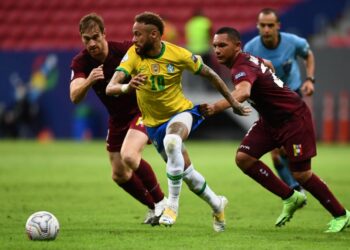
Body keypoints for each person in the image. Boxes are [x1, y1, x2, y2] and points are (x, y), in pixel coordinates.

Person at [106, 11, 250, 232]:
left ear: (154, 34)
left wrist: (233, 102)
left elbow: (211, 74)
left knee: (172, 141)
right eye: (133, 34)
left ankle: (171, 206)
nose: (134, 39)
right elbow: (110, 87)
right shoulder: (133, 55)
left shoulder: (178, 54)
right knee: (188, 175)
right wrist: (127, 86)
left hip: (181, 113)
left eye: (138, 34)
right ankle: (217, 204)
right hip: (153, 124)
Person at [201, 26, 350, 233]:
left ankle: (341, 214)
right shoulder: (247, 59)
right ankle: (291, 197)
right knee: (244, 158)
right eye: (215, 45)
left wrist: (216, 107)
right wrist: (270, 86)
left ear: (237, 46)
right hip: (270, 121)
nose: (217, 50)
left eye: (222, 45)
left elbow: (243, 92)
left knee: (302, 175)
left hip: (293, 119)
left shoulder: (240, 67)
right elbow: (268, 64)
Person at [70, 13, 166, 225]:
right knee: (119, 173)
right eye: (87, 39)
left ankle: (162, 203)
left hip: (142, 111)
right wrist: (89, 81)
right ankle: (153, 207)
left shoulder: (124, 51)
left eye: (96, 37)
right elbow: (74, 96)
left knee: (130, 155)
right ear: (81, 39)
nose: (92, 43)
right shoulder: (81, 62)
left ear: (104, 34)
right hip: (117, 118)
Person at [243, 8, 315, 192]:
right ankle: (294, 190)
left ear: (278, 26)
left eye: (270, 25)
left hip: (292, 97)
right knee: (276, 155)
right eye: (262, 25)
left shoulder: (293, 42)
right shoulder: (250, 48)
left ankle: (299, 184)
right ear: (258, 27)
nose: (266, 29)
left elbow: (308, 54)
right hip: (267, 103)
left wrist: (310, 79)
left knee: (287, 150)